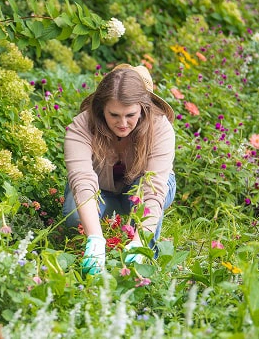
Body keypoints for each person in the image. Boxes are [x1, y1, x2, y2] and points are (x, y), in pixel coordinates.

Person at [62, 64, 176, 275]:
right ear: (101, 109)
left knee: (145, 210)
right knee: (74, 217)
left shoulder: (159, 128)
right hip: (101, 191)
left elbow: (154, 190)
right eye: (114, 115)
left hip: (141, 190)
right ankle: (92, 249)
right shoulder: (81, 127)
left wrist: (140, 241)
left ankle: (143, 263)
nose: (122, 123)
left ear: (143, 107)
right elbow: (82, 181)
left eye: (130, 115)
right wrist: (95, 240)